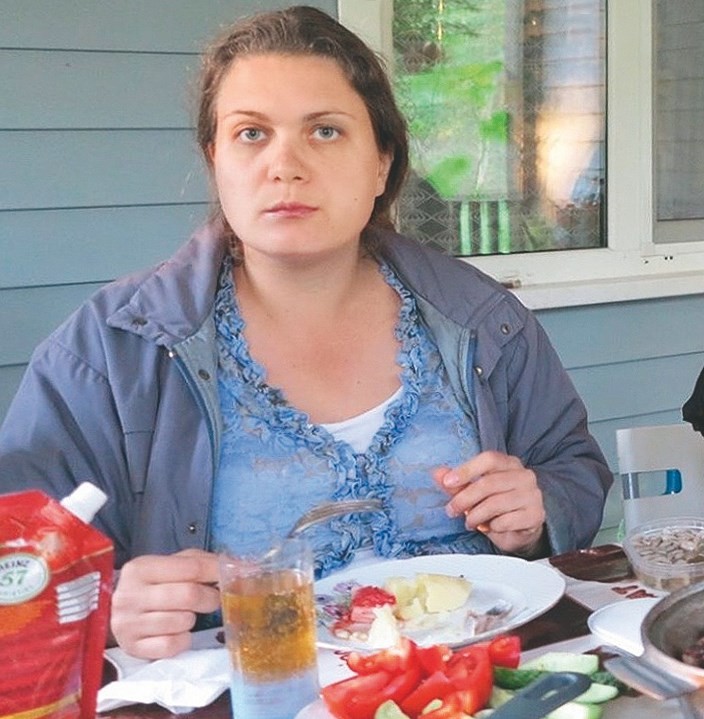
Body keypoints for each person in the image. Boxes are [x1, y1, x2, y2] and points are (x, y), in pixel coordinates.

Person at [0, 5, 612, 660]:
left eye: (325, 130)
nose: (285, 164)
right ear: (215, 159)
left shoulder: (482, 318)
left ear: (381, 164)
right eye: (251, 133)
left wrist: (539, 509)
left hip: (480, 682)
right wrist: (106, 604)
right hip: (253, 694)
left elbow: (572, 468)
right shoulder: (110, 351)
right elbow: (19, 570)